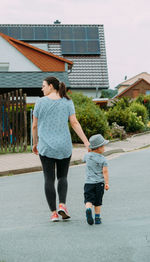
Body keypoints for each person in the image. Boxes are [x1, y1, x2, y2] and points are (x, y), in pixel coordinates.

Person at [32, 76, 89, 222]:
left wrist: (35, 143)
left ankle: (53, 213)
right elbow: (75, 123)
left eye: (43, 85)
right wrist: (86, 143)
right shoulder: (67, 102)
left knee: (48, 179)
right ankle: (62, 205)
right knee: (62, 177)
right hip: (64, 145)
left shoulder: (40, 102)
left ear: (51, 86)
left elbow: (34, 126)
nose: (42, 88)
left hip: (46, 146)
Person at [83, 134, 109, 225]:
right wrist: (107, 183)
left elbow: (83, 160)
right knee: (98, 202)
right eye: (103, 146)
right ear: (99, 148)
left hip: (88, 183)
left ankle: (88, 209)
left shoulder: (87, 156)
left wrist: (89, 151)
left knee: (88, 200)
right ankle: (97, 218)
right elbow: (105, 172)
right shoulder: (103, 159)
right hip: (99, 184)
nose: (104, 148)